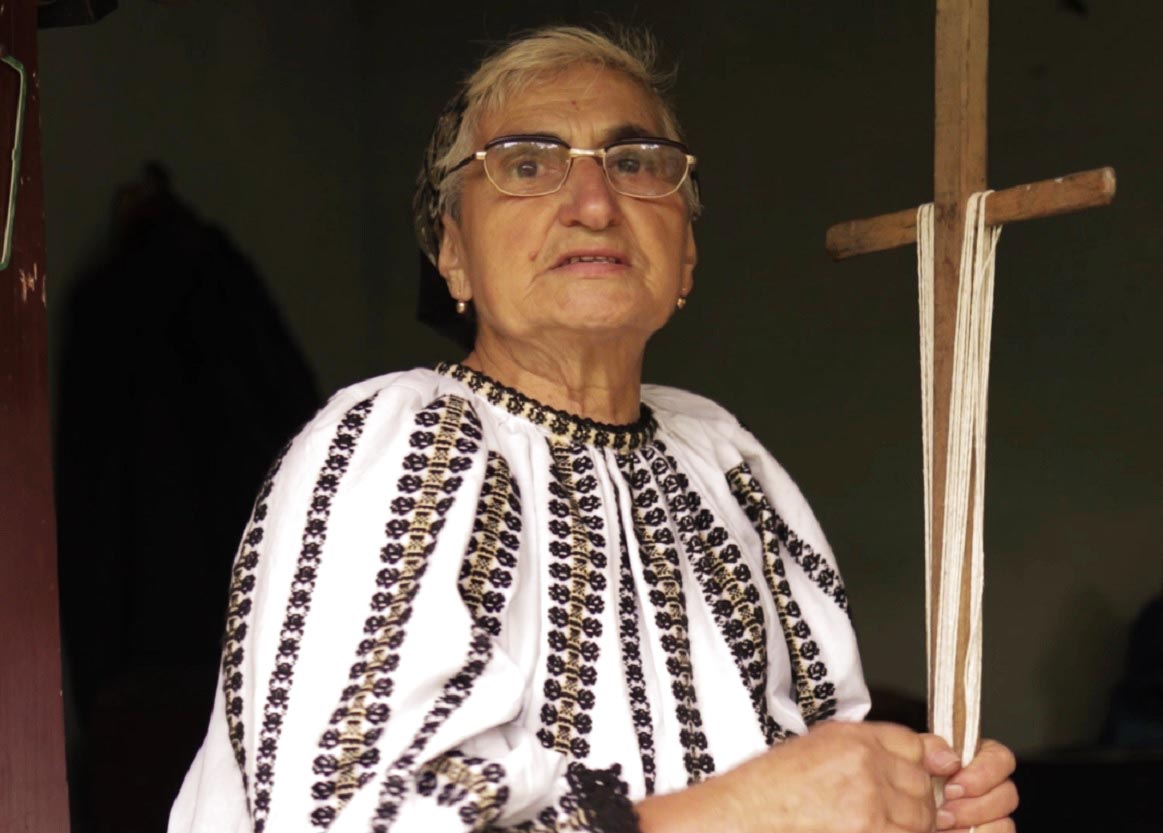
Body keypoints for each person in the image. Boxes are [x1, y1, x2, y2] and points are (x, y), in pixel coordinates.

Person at [170, 26, 1018, 833]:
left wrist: (911, 807)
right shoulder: (399, 442)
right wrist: (747, 810)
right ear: (452, 251)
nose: (592, 202)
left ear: (685, 253)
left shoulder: (726, 464)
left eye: (636, 162)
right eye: (526, 164)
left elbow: (823, 787)